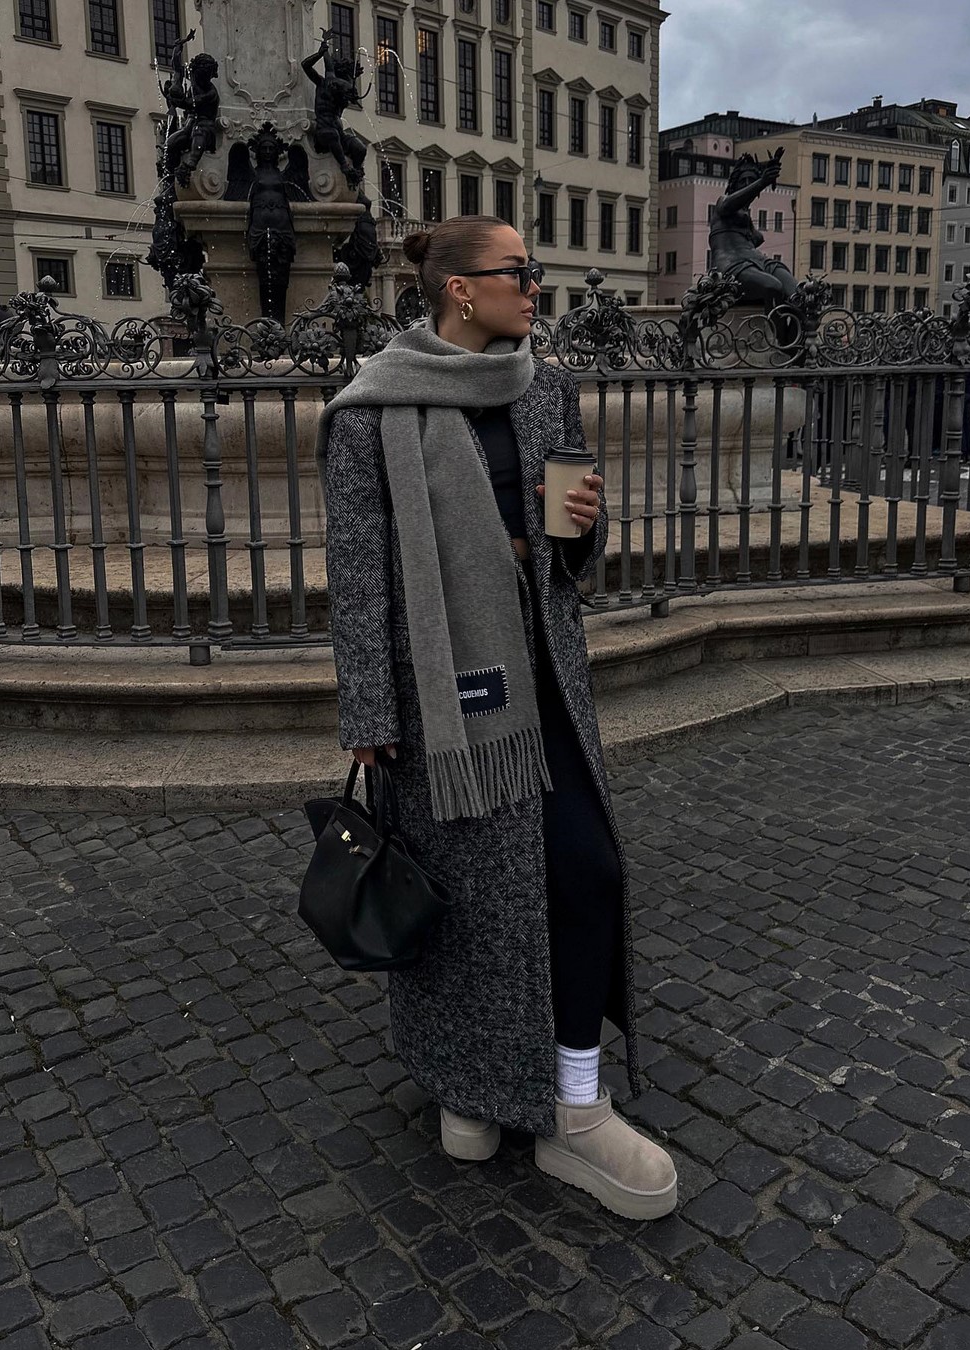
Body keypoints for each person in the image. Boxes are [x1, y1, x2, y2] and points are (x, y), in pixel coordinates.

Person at [317, 214, 677, 1221]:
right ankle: (467, 1085)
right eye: (519, 271)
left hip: (541, 678)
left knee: (586, 871)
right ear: (459, 291)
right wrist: (369, 708)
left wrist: (582, 527)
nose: (535, 286)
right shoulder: (370, 411)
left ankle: (575, 1104)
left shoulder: (543, 387)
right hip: (436, 699)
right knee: (468, 898)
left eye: (534, 269)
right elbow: (358, 573)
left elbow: (569, 552)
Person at [709, 151, 798, 309]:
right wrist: (762, 182)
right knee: (773, 286)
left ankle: (797, 326)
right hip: (732, 265)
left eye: (751, 181)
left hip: (759, 262)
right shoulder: (722, 202)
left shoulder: (747, 221)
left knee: (797, 293)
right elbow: (728, 205)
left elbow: (757, 238)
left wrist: (767, 172)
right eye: (743, 181)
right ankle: (775, 326)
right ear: (734, 185)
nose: (747, 184)